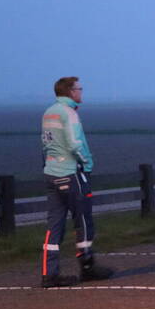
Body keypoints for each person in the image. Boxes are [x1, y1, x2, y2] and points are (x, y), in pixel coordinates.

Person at [39, 77, 113, 287]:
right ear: (71, 92)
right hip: (71, 173)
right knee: (83, 220)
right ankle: (87, 266)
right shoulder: (69, 113)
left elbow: (45, 144)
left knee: (54, 225)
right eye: (79, 88)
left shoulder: (48, 112)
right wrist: (87, 163)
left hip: (51, 172)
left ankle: (49, 273)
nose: (81, 92)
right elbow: (75, 143)